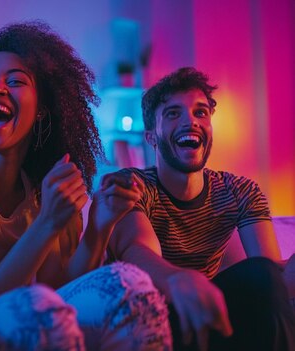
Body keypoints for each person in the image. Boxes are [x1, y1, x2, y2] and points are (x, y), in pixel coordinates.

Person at [0, 21, 172, 350]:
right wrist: (47, 222)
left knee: (131, 286)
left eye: (15, 81)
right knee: (40, 306)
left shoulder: (45, 185)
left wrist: (98, 226)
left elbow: (61, 288)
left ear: (41, 110)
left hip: (34, 312)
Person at [107, 67, 295, 351]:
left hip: (211, 310)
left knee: (265, 278)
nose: (190, 122)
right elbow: (136, 250)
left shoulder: (239, 191)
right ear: (151, 137)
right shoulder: (133, 186)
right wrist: (178, 280)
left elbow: (269, 274)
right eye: (173, 113)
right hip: (154, 314)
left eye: (200, 113)